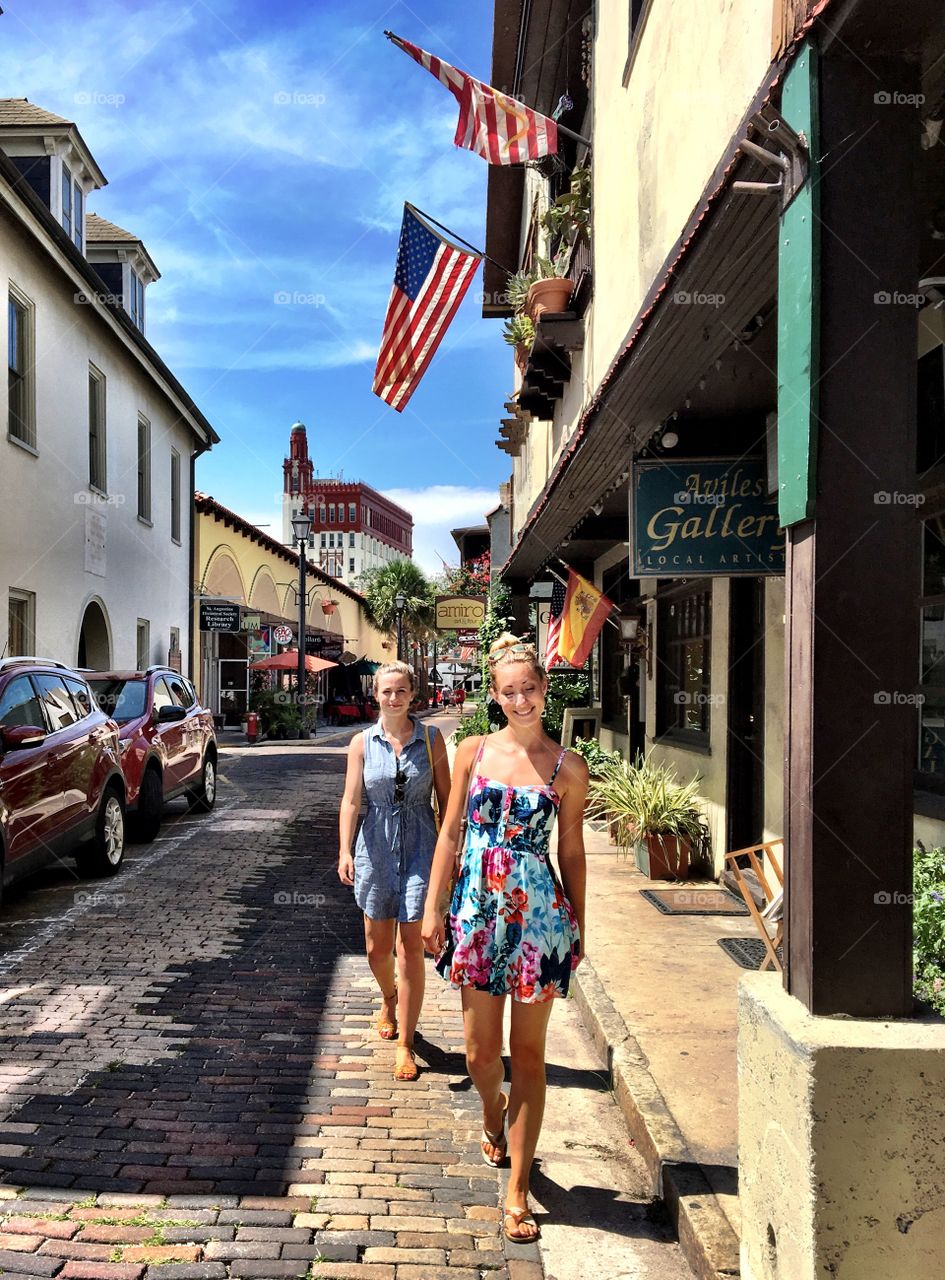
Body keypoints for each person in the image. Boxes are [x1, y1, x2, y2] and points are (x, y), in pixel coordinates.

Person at [421, 634, 588, 1243]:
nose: (522, 700)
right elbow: (447, 836)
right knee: (480, 1055)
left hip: (539, 918)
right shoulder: (472, 751)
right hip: (477, 912)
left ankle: (518, 1191)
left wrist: (580, 925)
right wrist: (432, 907)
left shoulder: (568, 767)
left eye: (531, 689)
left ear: (545, 691)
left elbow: (570, 849)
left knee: (532, 1059)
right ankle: (493, 1115)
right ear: (494, 695)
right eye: (510, 691)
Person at [338, 661, 451, 1081]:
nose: (393, 698)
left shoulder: (431, 738)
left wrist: (450, 855)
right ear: (377, 695)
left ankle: (406, 1042)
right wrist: (344, 850)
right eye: (387, 691)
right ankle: (389, 997)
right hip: (375, 848)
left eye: (401, 691)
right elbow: (351, 800)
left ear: (412, 695)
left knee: (411, 947)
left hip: (422, 846)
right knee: (375, 946)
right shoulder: (361, 743)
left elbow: (447, 800)